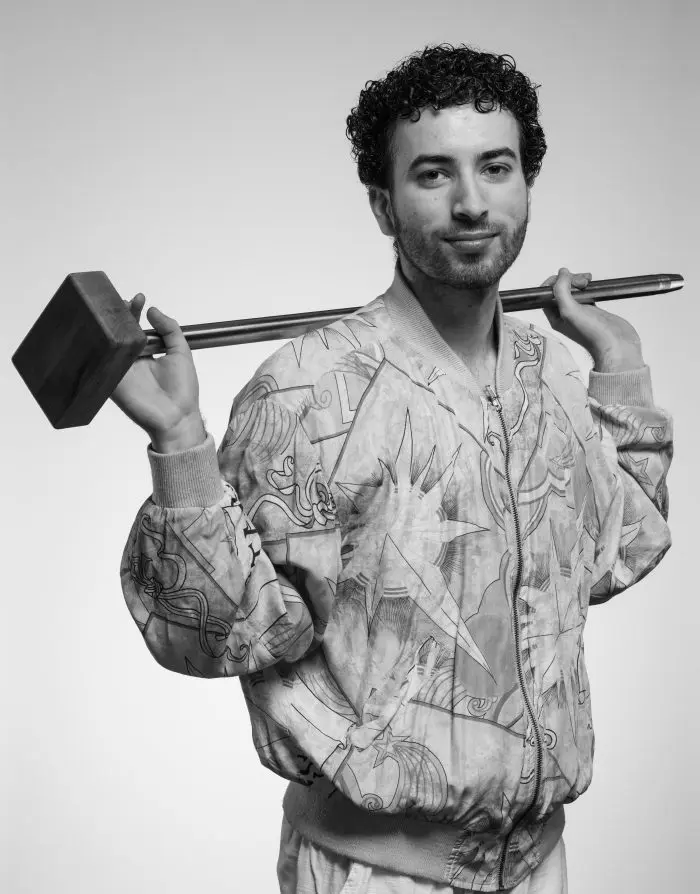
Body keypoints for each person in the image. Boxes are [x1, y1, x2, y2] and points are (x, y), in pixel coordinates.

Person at [114, 44, 672, 893]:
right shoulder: (305, 391)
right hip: (374, 872)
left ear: (527, 183)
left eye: (496, 167)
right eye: (433, 175)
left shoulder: (553, 374)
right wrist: (181, 440)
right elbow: (223, 631)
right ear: (383, 204)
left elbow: (605, 558)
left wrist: (620, 371)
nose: (472, 203)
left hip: (540, 864)